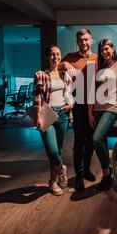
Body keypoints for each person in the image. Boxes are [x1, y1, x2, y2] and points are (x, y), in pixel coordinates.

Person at [88, 39, 117, 191]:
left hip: (112, 107)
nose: (104, 52)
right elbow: (92, 92)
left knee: (96, 139)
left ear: (112, 49)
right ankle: (106, 176)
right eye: (101, 50)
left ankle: (109, 171)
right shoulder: (100, 68)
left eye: (106, 49)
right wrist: (90, 114)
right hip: (97, 109)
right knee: (102, 142)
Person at [32, 46, 74, 196]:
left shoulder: (65, 75)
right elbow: (37, 97)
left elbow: (68, 94)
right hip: (46, 114)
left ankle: (52, 182)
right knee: (52, 150)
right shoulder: (40, 75)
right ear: (47, 57)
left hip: (62, 114)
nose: (55, 57)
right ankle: (62, 169)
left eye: (58, 54)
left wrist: (71, 105)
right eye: (52, 54)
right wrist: (37, 116)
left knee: (58, 150)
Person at [61, 29, 98, 191]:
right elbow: (56, 67)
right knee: (79, 141)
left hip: (95, 104)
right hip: (77, 105)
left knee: (91, 140)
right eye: (81, 40)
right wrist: (64, 63)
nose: (84, 42)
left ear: (91, 40)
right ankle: (79, 177)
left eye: (86, 39)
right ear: (78, 42)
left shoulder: (98, 58)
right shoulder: (70, 57)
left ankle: (87, 169)